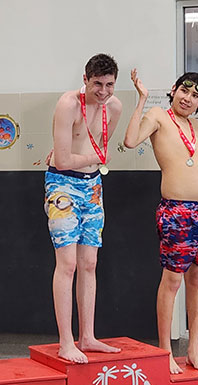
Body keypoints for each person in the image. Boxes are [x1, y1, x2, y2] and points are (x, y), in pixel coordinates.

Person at [124, 69, 198, 374]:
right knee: (173, 280)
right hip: (178, 210)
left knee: (197, 280)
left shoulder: (197, 127)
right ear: (174, 90)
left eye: (196, 95)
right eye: (185, 91)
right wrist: (142, 100)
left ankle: (194, 350)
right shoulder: (159, 116)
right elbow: (131, 139)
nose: (188, 98)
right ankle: (164, 351)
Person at [45, 54, 122, 363]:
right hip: (62, 185)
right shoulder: (68, 104)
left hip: (92, 187)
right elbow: (64, 160)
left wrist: (93, 159)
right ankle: (66, 342)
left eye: (109, 85)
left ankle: (87, 336)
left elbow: (100, 146)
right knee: (67, 264)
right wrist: (92, 159)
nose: (103, 92)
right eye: (97, 84)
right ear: (86, 79)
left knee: (89, 262)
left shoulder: (114, 107)